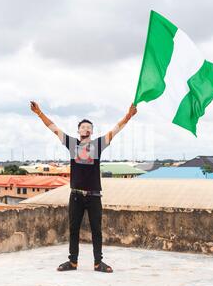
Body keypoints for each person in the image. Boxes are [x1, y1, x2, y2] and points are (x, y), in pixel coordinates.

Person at [30, 101, 137, 273]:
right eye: (83, 127)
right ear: (78, 131)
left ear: (92, 132)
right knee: (73, 229)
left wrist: (128, 115)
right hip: (76, 195)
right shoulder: (72, 145)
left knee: (96, 230)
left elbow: (116, 130)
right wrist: (39, 113)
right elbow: (54, 128)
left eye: (89, 127)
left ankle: (98, 263)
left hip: (94, 195)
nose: (86, 129)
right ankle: (72, 262)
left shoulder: (98, 145)